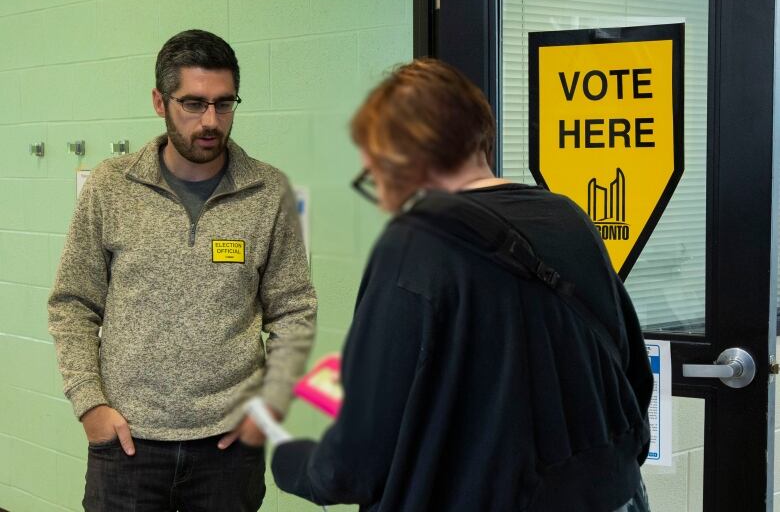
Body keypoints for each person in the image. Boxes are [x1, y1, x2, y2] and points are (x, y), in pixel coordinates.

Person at [268, 58, 652, 511]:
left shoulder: (415, 247)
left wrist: (288, 460)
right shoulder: (569, 219)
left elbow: (354, 466)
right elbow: (632, 380)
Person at [48, 29, 316, 511]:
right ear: (160, 101)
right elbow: (73, 304)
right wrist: (90, 404)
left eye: (224, 103)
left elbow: (294, 310)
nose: (210, 120)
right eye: (192, 103)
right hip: (127, 444)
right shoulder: (112, 187)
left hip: (228, 450)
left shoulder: (268, 192)